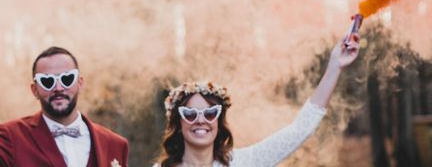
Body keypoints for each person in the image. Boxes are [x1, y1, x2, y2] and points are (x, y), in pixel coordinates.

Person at [154, 32, 361, 167]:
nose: (201, 120)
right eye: (190, 114)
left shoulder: (244, 162)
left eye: (210, 113)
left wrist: (335, 66)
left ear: (218, 121)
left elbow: (300, 129)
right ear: (178, 123)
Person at [0, 46, 129, 167]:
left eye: (66, 79)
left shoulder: (115, 144)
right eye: (47, 82)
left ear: (80, 83)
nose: (58, 88)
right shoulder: (12, 137)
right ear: (35, 90)